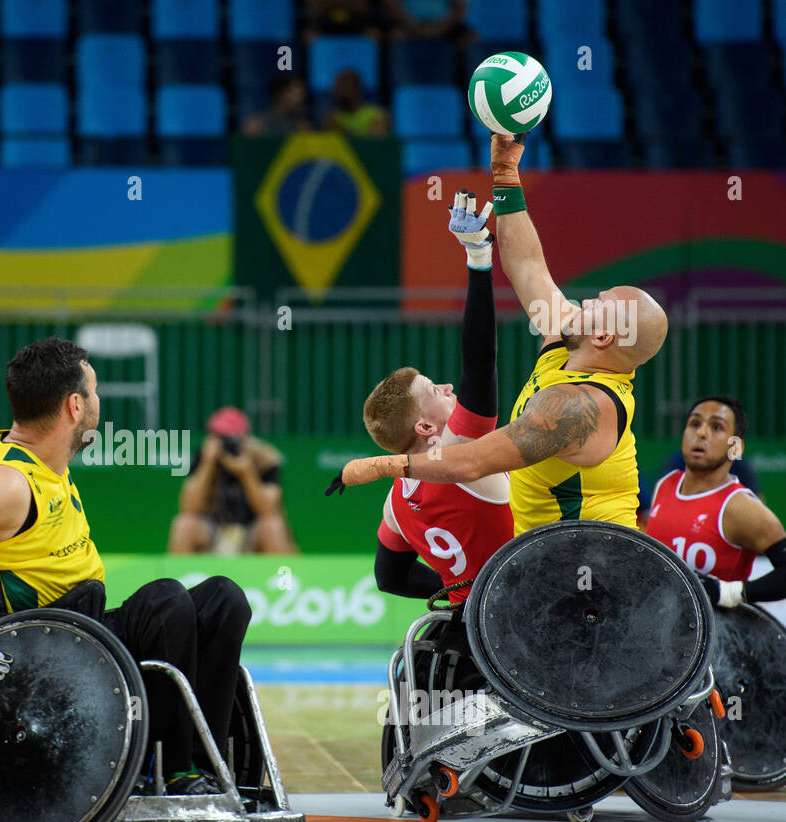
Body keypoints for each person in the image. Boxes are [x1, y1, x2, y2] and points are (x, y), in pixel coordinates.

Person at [0, 337, 250, 795]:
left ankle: (211, 769)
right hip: (41, 656)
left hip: (80, 633)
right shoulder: (3, 483)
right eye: (95, 392)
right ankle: (169, 773)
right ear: (74, 406)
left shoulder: (47, 463)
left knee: (224, 598)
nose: (98, 403)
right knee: (165, 598)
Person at [329, 135, 669, 538]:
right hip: (553, 551)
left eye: (599, 303)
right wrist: (506, 175)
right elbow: (528, 266)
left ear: (603, 338)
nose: (586, 301)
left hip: (590, 558)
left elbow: (472, 461)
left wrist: (380, 465)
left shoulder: (578, 406)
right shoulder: (567, 347)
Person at [333, 190, 513, 604]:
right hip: (519, 624)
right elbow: (479, 362)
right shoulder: (460, 450)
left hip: (470, 627)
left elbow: (389, 578)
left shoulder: (397, 500)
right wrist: (479, 261)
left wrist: (465, 593)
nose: (450, 387)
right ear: (426, 428)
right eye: (435, 390)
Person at [646, 395, 786, 608]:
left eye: (716, 427)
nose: (701, 433)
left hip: (715, 636)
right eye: (694, 424)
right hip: (656, 631)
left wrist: (728, 592)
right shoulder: (664, 485)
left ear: (736, 448)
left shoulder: (740, 507)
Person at [168, 406, 297, 554]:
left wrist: (247, 474)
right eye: (220, 436)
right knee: (183, 524)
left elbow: (268, 509)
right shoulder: (204, 455)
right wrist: (207, 465)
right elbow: (189, 507)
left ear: (246, 438)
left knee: (273, 525)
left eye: (231, 437)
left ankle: (282, 576)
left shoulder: (265, 458)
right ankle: (181, 576)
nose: (226, 443)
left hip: (251, 533)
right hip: (213, 532)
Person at [322, 69, 390, 138]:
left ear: (355, 87)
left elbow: (377, 145)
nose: (335, 90)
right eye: (335, 86)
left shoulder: (377, 115)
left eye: (342, 86)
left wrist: (342, 131)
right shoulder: (332, 117)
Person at [243, 75, 312, 137]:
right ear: (281, 94)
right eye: (297, 95)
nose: (301, 99)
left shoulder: (304, 127)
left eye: (302, 95)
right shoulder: (256, 125)